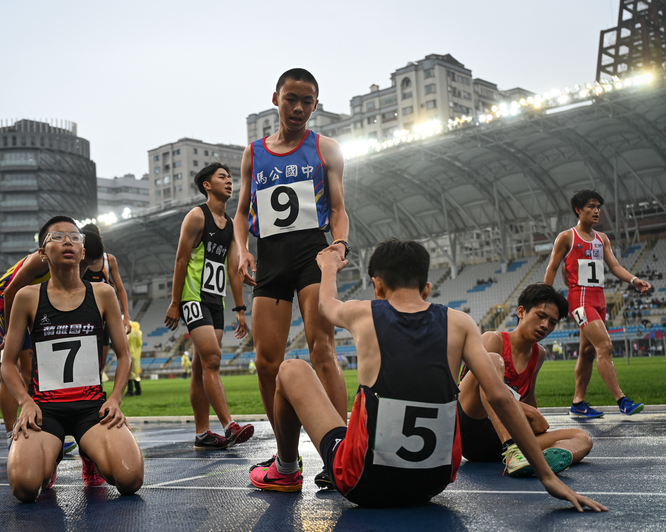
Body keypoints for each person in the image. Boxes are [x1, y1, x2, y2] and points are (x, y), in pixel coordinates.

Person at [249, 239, 606, 513]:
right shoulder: (461, 322)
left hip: (365, 483)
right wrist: (546, 476)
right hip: (432, 483)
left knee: (291, 369)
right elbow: (499, 397)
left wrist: (327, 266)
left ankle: (284, 468)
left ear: (376, 285)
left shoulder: (363, 314)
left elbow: (325, 305)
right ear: (427, 288)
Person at [234, 68, 349, 487]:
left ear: (316, 105)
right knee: (267, 362)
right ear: (276, 99)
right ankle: (286, 459)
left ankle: (342, 454)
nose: (298, 107)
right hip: (271, 256)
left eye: (307, 101)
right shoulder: (253, 153)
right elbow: (242, 212)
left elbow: (338, 208)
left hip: (311, 253)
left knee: (323, 348)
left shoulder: (326, 148)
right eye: (291, 99)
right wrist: (244, 249)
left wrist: (338, 245)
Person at [2, 217, 144, 503]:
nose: (67, 241)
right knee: (25, 486)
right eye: (57, 237)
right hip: (45, 410)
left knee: (130, 478)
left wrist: (115, 398)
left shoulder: (103, 294)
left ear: (83, 252)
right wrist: (25, 402)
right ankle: (49, 458)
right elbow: (7, 363)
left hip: (92, 409)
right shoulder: (27, 297)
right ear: (42, 253)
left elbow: (123, 355)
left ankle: (88, 450)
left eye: (74, 237)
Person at [0, 217, 104, 448]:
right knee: (12, 369)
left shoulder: (75, 262)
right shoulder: (40, 260)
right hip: (2, 306)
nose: (84, 268)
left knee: (32, 372)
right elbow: (10, 293)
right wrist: (9, 334)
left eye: (89, 263)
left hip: (28, 304)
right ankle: (14, 434)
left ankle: (44, 429)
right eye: (85, 264)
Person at [458, 284, 594, 477]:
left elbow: (528, 398)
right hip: (470, 430)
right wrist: (529, 413)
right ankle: (513, 451)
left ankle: (542, 461)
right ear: (521, 312)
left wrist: (534, 422)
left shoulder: (539, 355)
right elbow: (466, 391)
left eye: (552, 322)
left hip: (501, 440)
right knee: (492, 360)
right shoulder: (492, 340)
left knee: (583, 437)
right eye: (541, 316)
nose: (546, 325)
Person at [165, 163, 254, 450]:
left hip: (216, 301)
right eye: (222, 177)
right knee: (213, 360)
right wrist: (175, 303)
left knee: (200, 367)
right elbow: (180, 260)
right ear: (207, 185)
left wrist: (240, 310)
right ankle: (230, 426)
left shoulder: (229, 225)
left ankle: (203, 434)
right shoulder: (196, 217)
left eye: (230, 177)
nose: (229, 182)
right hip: (194, 298)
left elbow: (232, 270)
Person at [544, 190, 651, 417]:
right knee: (605, 346)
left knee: (587, 352)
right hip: (580, 299)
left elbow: (614, 266)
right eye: (591, 206)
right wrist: (544, 297)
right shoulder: (567, 237)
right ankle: (622, 400)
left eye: (598, 207)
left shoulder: (602, 239)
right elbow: (552, 267)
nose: (596, 211)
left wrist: (633, 280)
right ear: (578, 210)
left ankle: (578, 403)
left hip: (599, 298)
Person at [81, 223, 132, 377]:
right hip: (85, 316)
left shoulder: (109, 260)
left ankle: (98, 392)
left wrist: (126, 318)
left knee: (99, 365)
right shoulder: (79, 261)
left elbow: (121, 290)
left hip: (104, 318)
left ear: (100, 239)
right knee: (85, 362)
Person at [126, 321, 143, 396]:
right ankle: (138, 390)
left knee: (128, 374)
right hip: (137, 356)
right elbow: (140, 343)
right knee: (136, 374)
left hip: (129, 354)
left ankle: (130, 391)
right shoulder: (139, 332)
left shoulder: (128, 332)